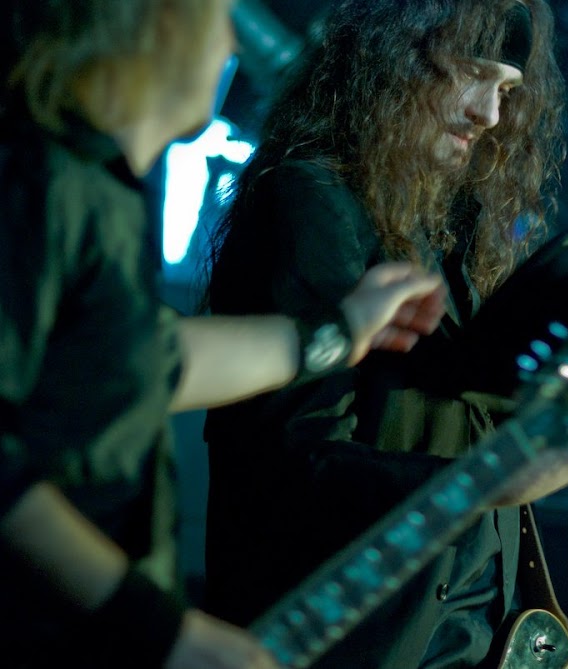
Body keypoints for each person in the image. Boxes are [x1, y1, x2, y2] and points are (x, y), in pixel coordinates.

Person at [202, 1, 568, 667]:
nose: (490, 115)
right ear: (393, 63)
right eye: (470, 74)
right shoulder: (312, 200)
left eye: (506, 90)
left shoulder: (453, 225)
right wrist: (495, 480)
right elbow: (292, 470)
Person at [0, 1, 447, 667]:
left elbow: (151, 361)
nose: (231, 48)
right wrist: (163, 631)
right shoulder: (33, 179)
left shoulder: (99, 191)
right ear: (156, 21)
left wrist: (339, 331)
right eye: (217, 18)